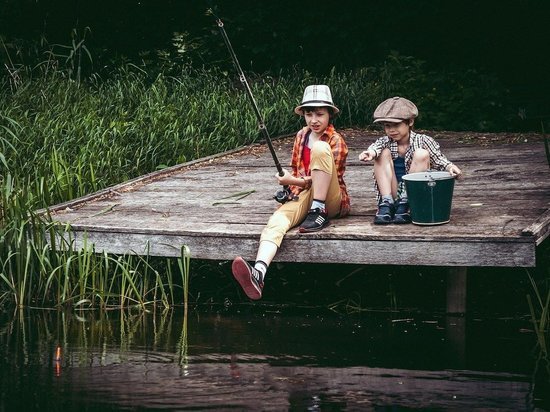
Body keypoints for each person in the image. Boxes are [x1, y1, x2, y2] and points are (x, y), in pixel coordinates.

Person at [231, 85, 350, 300]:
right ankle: (259, 273)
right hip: (305, 194)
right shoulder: (301, 136)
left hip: (330, 200)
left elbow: (320, 177)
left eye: (320, 114)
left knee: (320, 149)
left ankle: (318, 210)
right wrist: (289, 188)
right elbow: (297, 172)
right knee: (276, 222)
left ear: (330, 115)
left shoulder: (335, 140)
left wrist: (293, 180)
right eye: (308, 114)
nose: (314, 119)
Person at [359, 96, 462, 224]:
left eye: (396, 125)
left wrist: (450, 167)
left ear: (410, 122)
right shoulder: (384, 141)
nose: (391, 130)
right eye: (387, 125)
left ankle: (406, 204)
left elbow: (439, 159)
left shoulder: (424, 140)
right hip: (392, 190)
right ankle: (386, 203)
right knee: (382, 153)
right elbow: (376, 147)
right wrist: (370, 153)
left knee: (421, 154)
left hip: (413, 193)